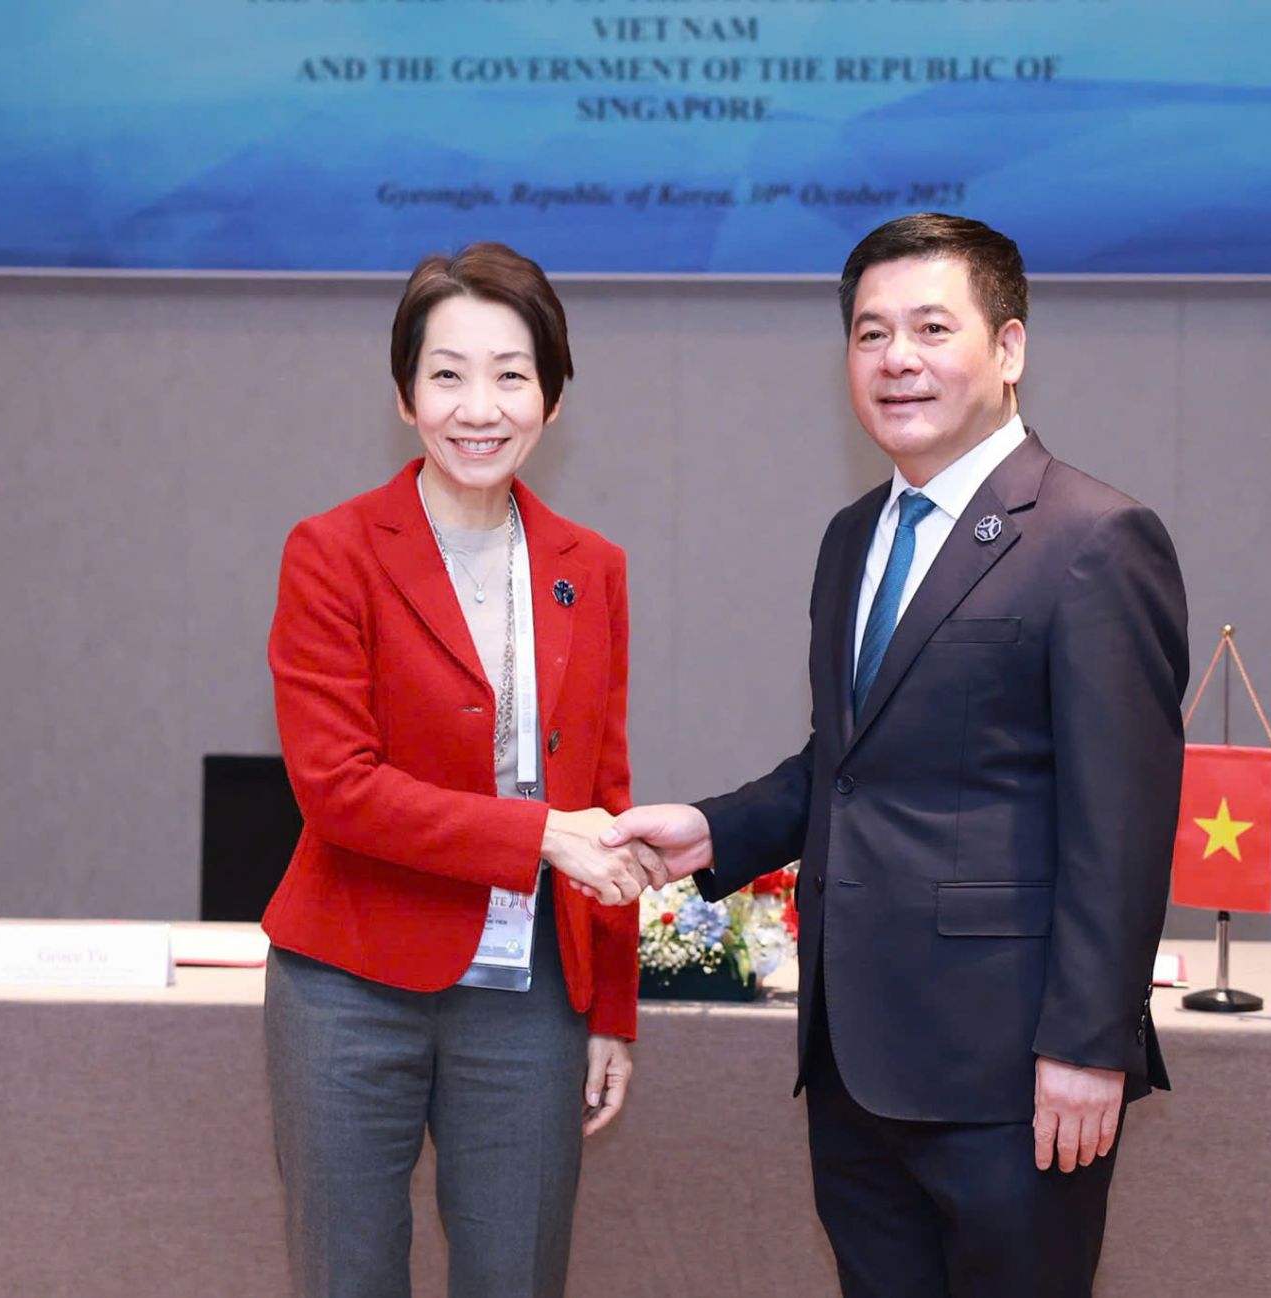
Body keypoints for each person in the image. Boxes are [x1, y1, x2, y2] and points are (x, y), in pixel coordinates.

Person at [605, 213, 1189, 1297]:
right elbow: (852, 761)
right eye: (870, 333)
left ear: (1008, 348)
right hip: (854, 1064)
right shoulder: (853, 537)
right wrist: (714, 830)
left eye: (930, 327)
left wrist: (1088, 1043)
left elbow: (1124, 820)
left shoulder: (1092, 538)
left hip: (1013, 1072)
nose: (896, 358)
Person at [262, 241, 648, 1298]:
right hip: (348, 988)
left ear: (552, 398)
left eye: (511, 375)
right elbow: (337, 789)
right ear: (405, 395)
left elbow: (606, 797)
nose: (480, 408)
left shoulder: (592, 568)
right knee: (345, 1276)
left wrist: (612, 1003)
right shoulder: (331, 552)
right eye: (447, 374)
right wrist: (541, 835)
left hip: (530, 997)